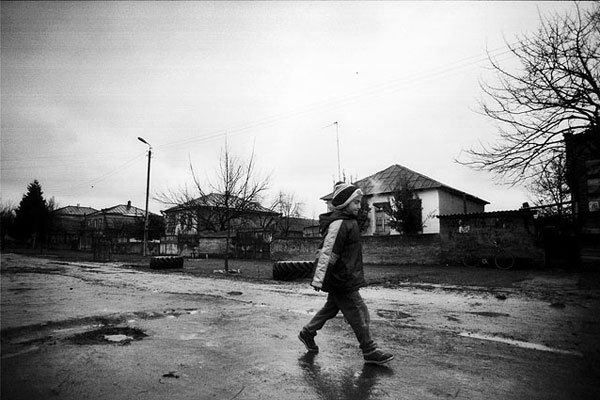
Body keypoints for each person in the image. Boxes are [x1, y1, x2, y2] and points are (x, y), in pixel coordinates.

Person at [298, 182, 394, 365]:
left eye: (359, 202)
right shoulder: (340, 224)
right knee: (359, 312)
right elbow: (327, 253)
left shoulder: (349, 222)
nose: (359, 206)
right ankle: (369, 350)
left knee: (330, 309)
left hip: (344, 276)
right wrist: (318, 279)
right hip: (341, 279)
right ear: (344, 203)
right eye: (355, 202)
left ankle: (307, 333)